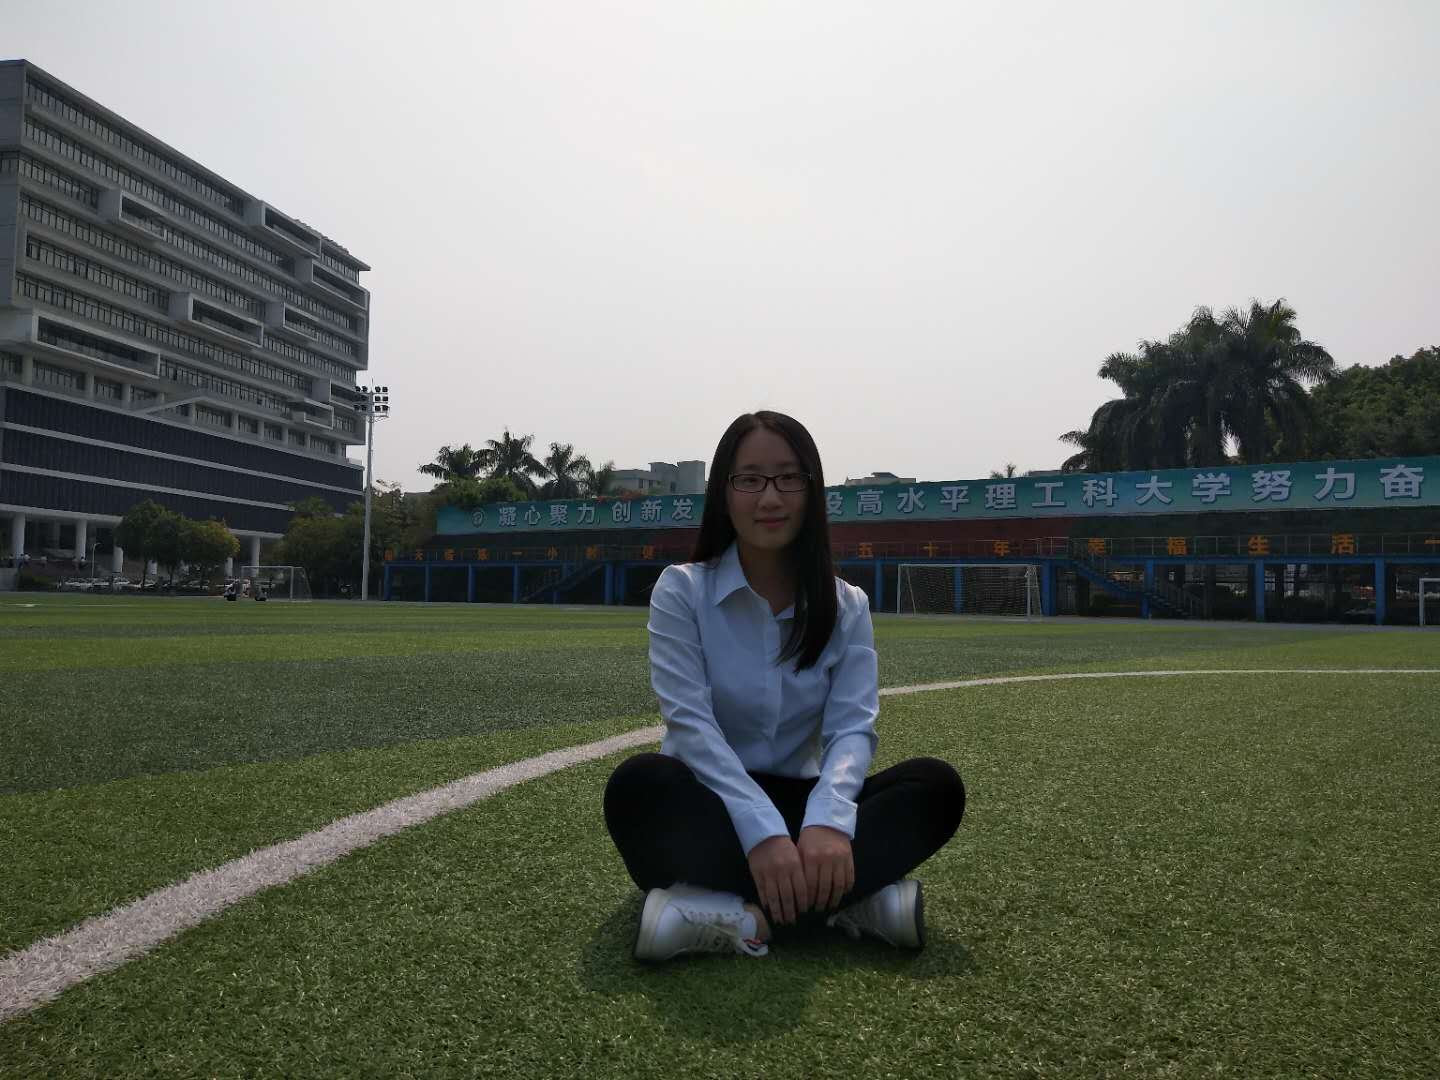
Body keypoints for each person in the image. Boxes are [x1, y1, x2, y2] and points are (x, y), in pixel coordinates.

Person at [604, 411, 966, 963]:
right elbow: (691, 727)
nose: (770, 498)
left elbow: (852, 728)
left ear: (811, 490)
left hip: (804, 808)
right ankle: (850, 902)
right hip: (709, 802)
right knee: (638, 785)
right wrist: (763, 834)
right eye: (750, 479)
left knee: (935, 786)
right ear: (724, 493)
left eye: (788, 478)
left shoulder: (846, 605)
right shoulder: (681, 592)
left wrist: (828, 822)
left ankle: (743, 916)